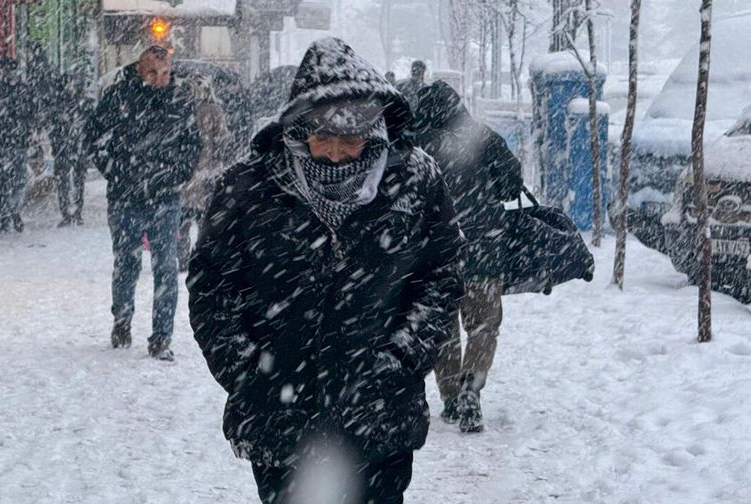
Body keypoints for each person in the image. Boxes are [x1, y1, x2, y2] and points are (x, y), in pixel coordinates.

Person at [188, 38, 464, 504]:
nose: (336, 154)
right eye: (322, 138)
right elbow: (211, 286)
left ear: (375, 131)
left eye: (351, 140)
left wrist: (401, 358)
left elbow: (442, 275)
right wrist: (248, 370)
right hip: (281, 416)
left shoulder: (415, 181)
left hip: (378, 414)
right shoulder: (248, 185)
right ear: (298, 128)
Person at [411, 80, 523, 433]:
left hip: (435, 253)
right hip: (483, 248)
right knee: (483, 325)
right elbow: (511, 185)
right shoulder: (482, 136)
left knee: (444, 326)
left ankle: (449, 397)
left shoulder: (415, 145)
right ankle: (471, 388)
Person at [85, 45, 202, 361]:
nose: (159, 79)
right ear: (139, 69)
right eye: (152, 72)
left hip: (165, 197)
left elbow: (192, 145)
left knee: (166, 267)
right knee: (127, 263)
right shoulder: (119, 97)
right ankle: (122, 319)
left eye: (165, 72)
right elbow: (95, 137)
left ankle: (161, 337)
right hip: (125, 198)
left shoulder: (179, 100)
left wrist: (175, 176)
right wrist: (116, 172)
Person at [179, 73, 229, 269]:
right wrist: (217, 160)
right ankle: (201, 256)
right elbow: (222, 138)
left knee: (183, 219)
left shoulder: (182, 108)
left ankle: (183, 257)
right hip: (206, 172)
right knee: (205, 219)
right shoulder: (214, 109)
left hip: (188, 173)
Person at [0, 57, 37, 232]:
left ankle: (12, 211)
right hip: (4, 143)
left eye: (11, 69)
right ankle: (8, 214)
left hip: (14, 142)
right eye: (6, 70)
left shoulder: (21, 90)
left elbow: (32, 115)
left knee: (16, 181)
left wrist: (30, 132)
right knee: (5, 182)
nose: (9, 73)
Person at [51, 74, 94, 227]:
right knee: (68, 181)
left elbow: (89, 125)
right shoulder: (61, 103)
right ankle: (70, 213)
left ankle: (74, 212)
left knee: (73, 181)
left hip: (74, 147)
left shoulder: (80, 104)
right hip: (67, 147)